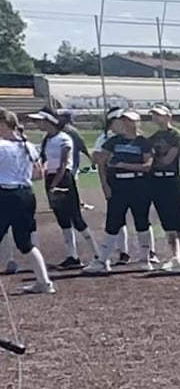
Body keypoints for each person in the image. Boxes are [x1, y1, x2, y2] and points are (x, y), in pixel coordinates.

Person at [0, 111, 57, 295]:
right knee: (25, 242)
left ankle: (44, 283)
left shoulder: (2, 145)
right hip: (26, 195)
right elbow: (38, 174)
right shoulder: (29, 146)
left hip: (6, 195)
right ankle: (44, 282)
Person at [31, 111, 96, 270]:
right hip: (51, 177)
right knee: (63, 219)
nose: (37, 124)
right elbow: (45, 161)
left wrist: (54, 184)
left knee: (76, 218)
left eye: (40, 121)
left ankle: (98, 254)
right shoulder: (47, 139)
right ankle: (72, 256)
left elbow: (63, 164)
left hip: (64, 178)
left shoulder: (64, 138)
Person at [94, 107, 154, 271]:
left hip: (138, 185)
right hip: (117, 185)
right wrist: (105, 185)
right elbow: (101, 162)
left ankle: (145, 259)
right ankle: (103, 261)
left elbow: (147, 166)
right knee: (113, 221)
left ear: (137, 122)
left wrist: (123, 165)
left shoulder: (143, 142)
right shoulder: (113, 141)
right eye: (124, 120)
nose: (127, 123)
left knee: (141, 221)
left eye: (130, 120)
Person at [144, 104, 180, 272]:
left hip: (172, 180)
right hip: (157, 182)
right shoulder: (152, 138)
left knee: (179, 223)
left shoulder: (176, 136)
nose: (156, 118)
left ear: (168, 116)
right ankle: (174, 256)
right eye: (154, 115)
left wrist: (152, 159)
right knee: (167, 224)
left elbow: (167, 160)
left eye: (159, 115)